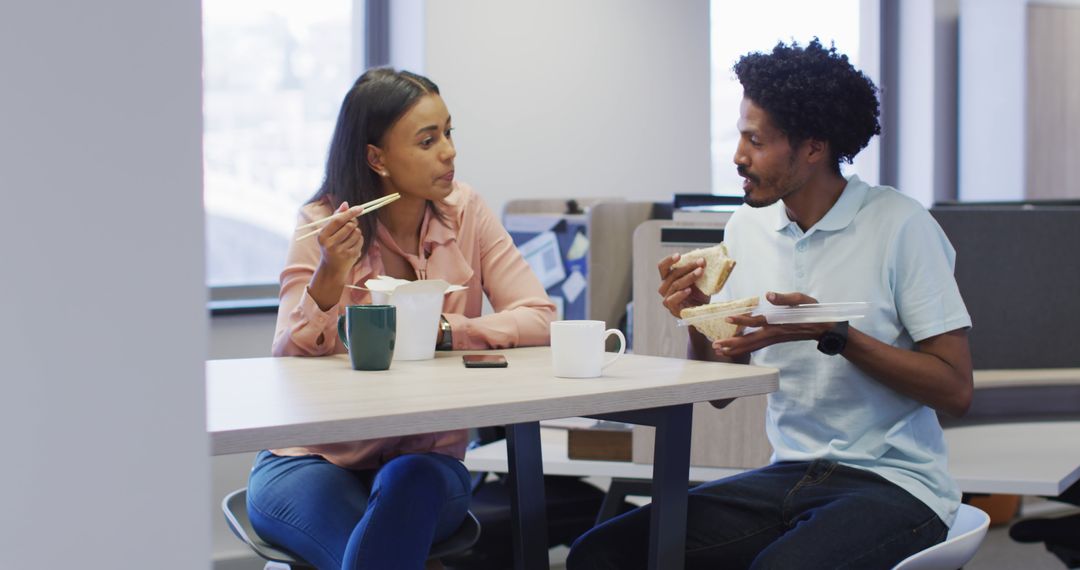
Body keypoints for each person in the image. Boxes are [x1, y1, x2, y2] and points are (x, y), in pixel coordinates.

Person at [567, 39, 974, 569]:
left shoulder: (900, 224)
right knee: (602, 554)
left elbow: (956, 390)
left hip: (895, 483)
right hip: (789, 473)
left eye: (754, 140)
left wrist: (835, 335)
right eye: (741, 135)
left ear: (813, 147)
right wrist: (699, 315)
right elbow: (720, 391)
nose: (738, 155)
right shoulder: (748, 227)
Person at [247, 68, 556, 570]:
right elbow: (289, 359)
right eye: (428, 140)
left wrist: (448, 332)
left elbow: (539, 317)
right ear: (377, 158)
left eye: (449, 133)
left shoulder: (467, 212)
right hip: (311, 459)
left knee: (408, 489)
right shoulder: (324, 222)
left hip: (426, 462)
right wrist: (330, 274)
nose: (449, 152)